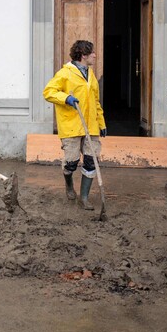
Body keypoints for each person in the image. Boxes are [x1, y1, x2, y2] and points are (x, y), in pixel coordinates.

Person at [43, 40, 107, 210]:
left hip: (91, 126)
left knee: (90, 161)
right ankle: (69, 183)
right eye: (92, 52)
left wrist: (101, 122)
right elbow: (48, 92)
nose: (95, 55)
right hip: (71, 126)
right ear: (83, 55)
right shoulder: (65, 73)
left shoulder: (91, 74)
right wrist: (66, 98)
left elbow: (95, 101)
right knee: (71, 163)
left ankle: (84, 197)